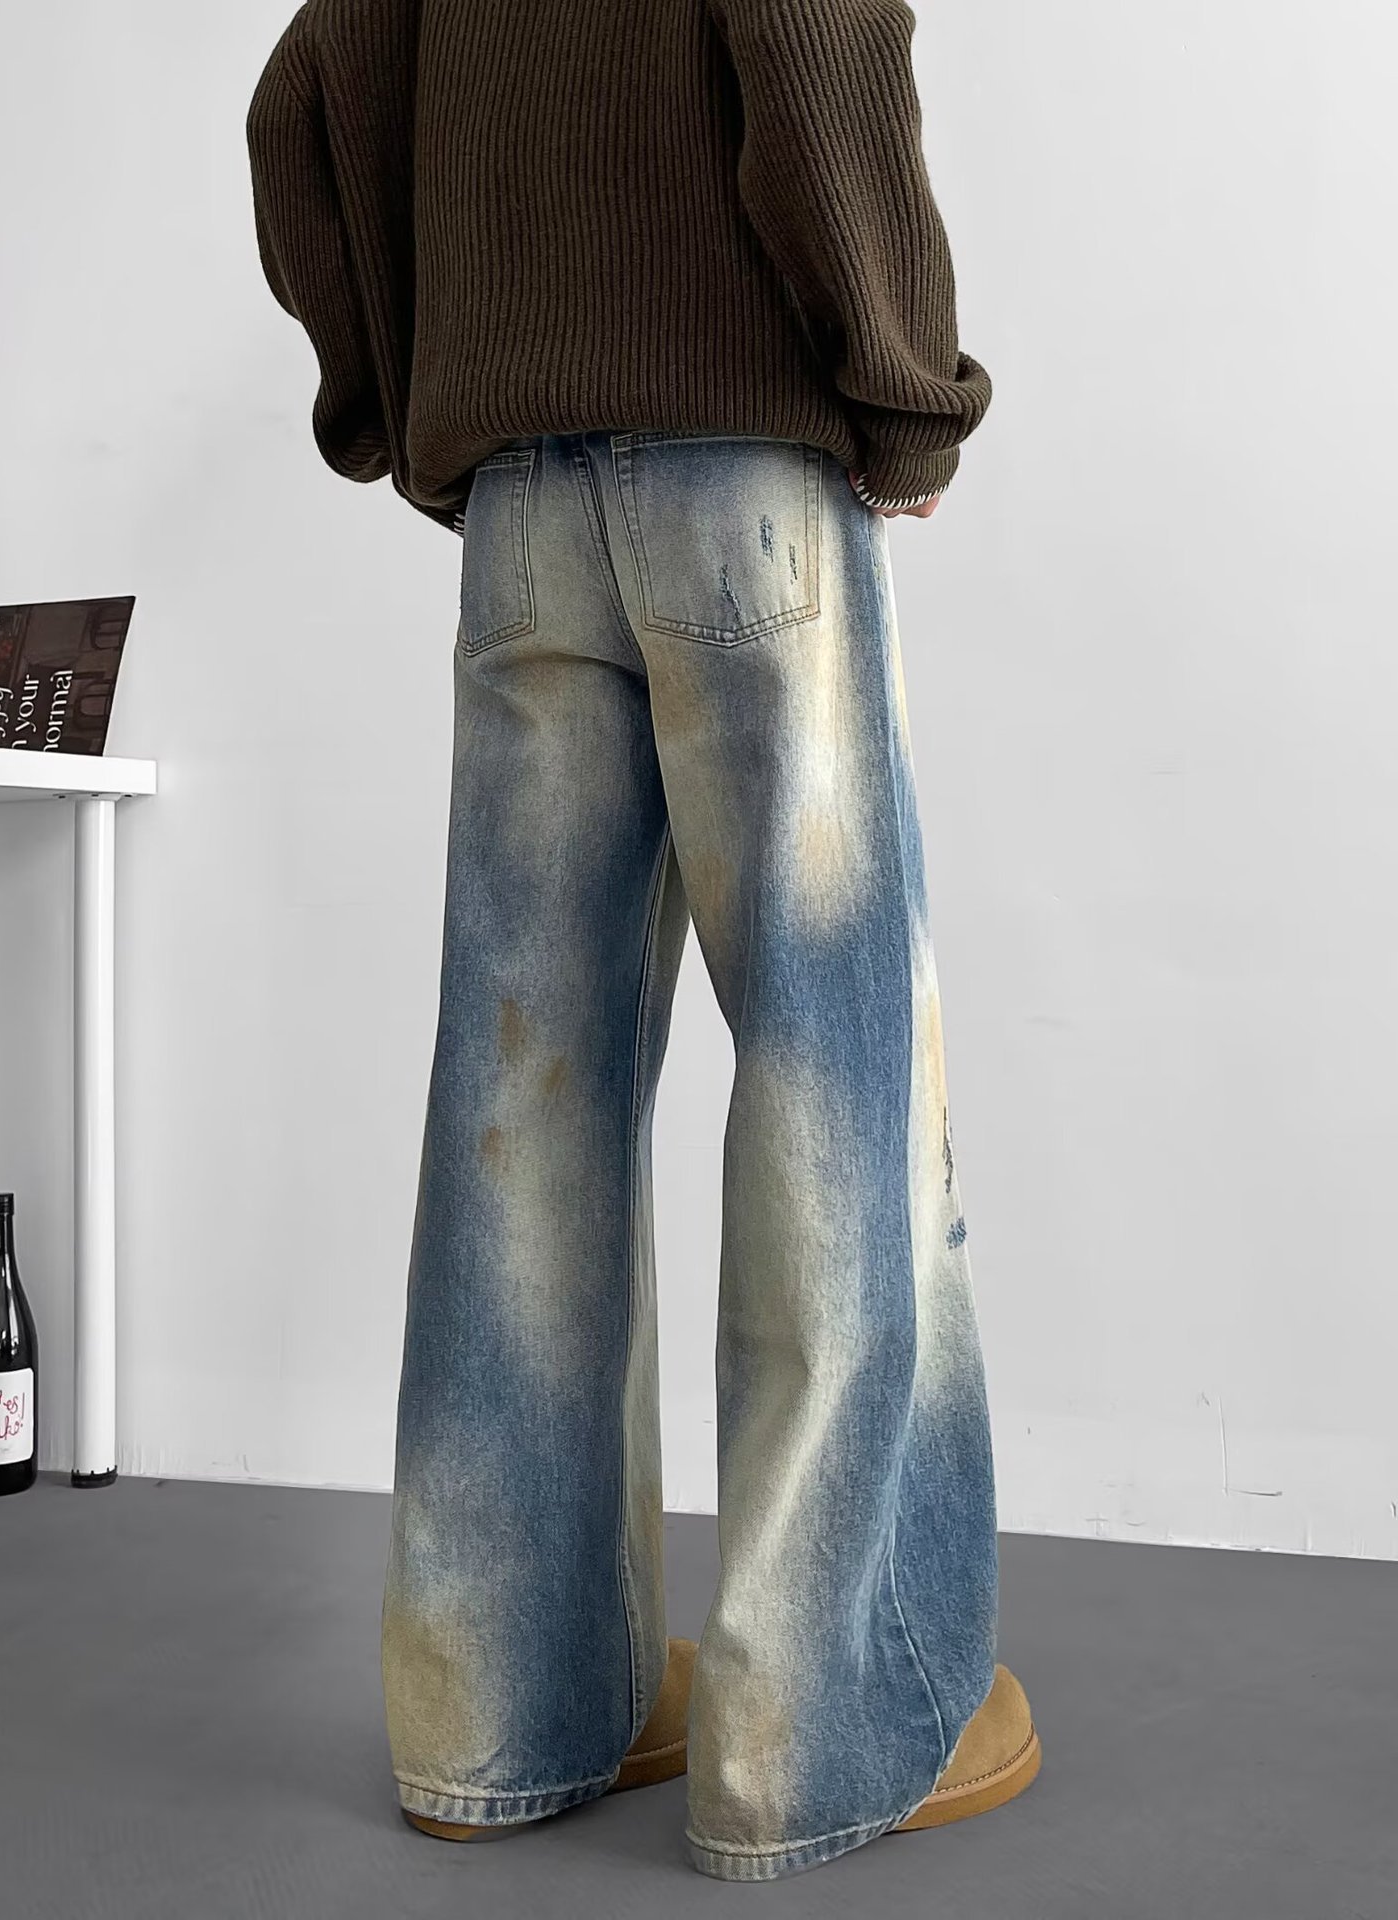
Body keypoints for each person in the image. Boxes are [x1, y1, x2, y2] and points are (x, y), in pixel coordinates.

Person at [247, 0, 1039, 1883]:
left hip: (522, 511)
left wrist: (405, 397)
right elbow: (817, 40)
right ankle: (821, 1735)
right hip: (748, 486)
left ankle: (496, 1712)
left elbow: (304, 101)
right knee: (834, 1076)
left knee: (520, 1104)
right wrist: (907, 390)